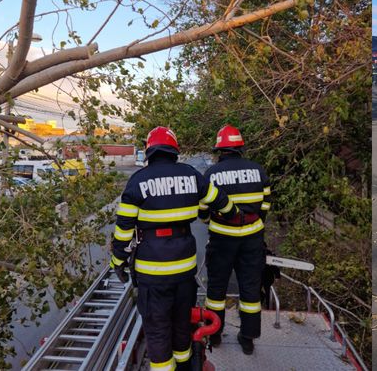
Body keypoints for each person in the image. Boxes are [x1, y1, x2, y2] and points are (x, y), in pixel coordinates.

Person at [110, 126, 236, 371]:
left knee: (158, 332)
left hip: (152, 273)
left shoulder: (138, 181)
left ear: (149, 150)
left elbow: (124, 229)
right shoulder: (191, 175)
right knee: (182, 326)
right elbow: (222, 202)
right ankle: (185, 366)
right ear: (174, 150)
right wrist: (234, 215)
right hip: (184, 270)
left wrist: (118, 261)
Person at [202, 124, 272, 355]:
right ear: (240, 148)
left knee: (216, 288)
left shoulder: (212, 174)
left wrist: (210, 222)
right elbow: (265, 205)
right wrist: (255, 224)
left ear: (220, 150)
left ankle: (214, 334)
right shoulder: (258, 170)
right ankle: (248, 338)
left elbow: (203, 210)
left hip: (222, 238)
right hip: (252, 239)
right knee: (251, 289)